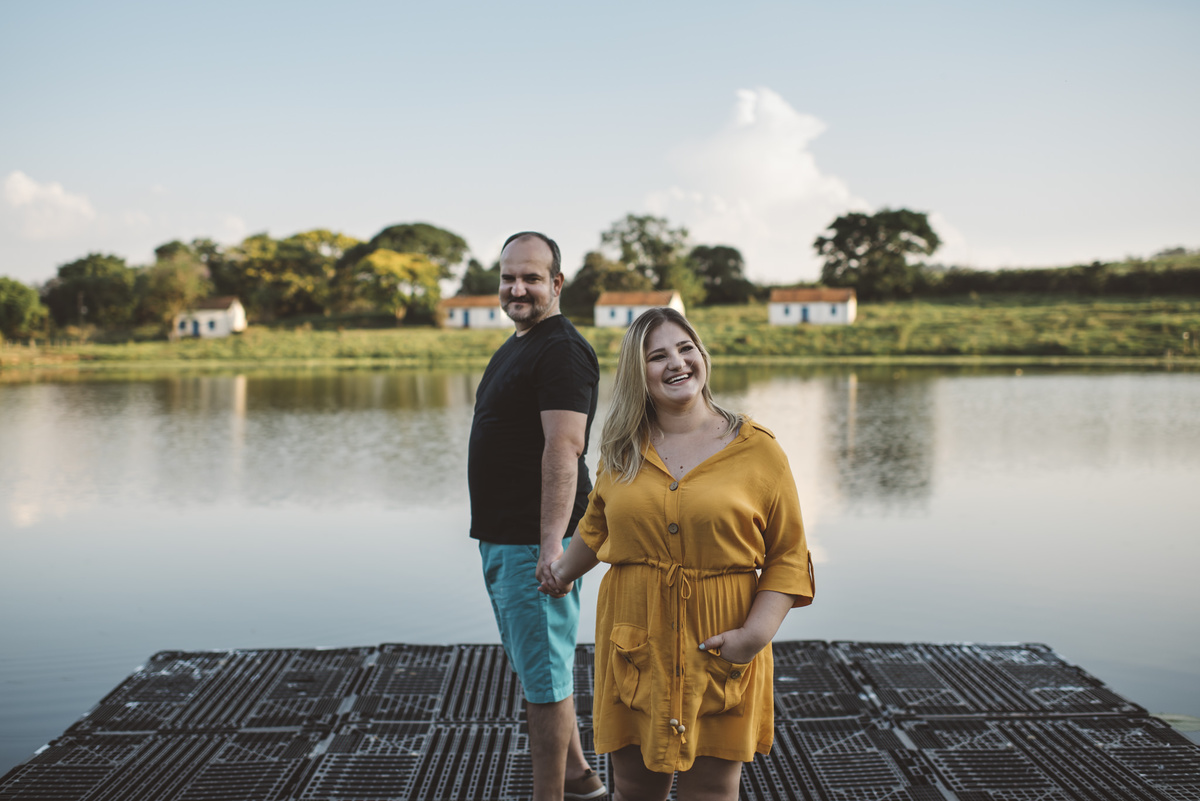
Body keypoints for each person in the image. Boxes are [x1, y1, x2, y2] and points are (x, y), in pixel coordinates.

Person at [541, 307, 814, 801]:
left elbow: (789, 557)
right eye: (657, 355)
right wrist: (558, 571)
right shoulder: (623, 448)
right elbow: (597, 530)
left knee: (710, 793)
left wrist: (753, 637)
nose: (676, 363)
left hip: (721, 641)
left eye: (686, 349)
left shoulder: (757, 450)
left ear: (703, 356)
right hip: (635, 642)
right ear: (636, 373)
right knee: (635, 791)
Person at [467, 231, 607, 801]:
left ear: (556, 283)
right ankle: (579, 778)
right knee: (539, 669)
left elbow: (563, 447)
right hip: (507, 536)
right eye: (508, 277)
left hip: (534, 542)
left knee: (545, 684)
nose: (516, 287)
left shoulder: (561, 349)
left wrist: (552, 545)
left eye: (530, 277)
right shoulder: (520, 342)